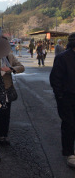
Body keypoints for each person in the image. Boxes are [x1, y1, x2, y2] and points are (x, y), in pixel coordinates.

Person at [49, 33, 75, 168]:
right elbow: (55, 79)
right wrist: (60, 96)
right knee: (69, 124)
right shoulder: (63, 58)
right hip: (67, 97)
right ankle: (69, 153)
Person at [0, 40, 25, 146]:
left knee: (5, 115)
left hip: (6, 89)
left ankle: (3, 135)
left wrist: (10, 69)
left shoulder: (9, 56)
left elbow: (21, 67)